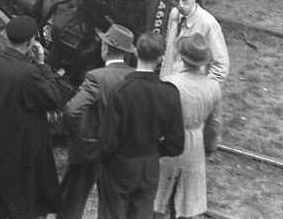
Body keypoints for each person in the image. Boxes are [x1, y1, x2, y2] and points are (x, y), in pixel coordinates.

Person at [0, 15, 63, 219]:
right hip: (24, 147)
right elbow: (54, 98)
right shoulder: (29, 73)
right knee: (23, 200)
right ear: (31, 43)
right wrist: (42, 64)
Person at [98, 32, 184, 219]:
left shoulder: (121, 91)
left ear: (135, 52)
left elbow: (107, 141)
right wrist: (154, 151)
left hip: (120, 164)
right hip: (150, 165)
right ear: (161, 58)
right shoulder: (169, 93)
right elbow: (176, 143)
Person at [57, 24, 136, 219]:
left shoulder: (96, 77)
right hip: (121, 151)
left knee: (72, 201)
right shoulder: (135, 77)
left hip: (90, 149)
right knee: (111, 207)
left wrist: (78, 134)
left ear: (105, 48)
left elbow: (72, 110)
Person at [153, 34, 223, 219]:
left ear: (182, 57)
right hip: (195, 147)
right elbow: (214, 125)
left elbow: (157, 120)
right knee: (187, 206)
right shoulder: (213, 87)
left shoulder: (169, 83)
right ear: (203, 62)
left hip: (168, 146)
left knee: (158, 201)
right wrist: (209, 148)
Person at [161, 0, 229, 85]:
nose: (181, 5)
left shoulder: (208, 23)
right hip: (168, 85)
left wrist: (202, 90)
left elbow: (221, 67)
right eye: (176, 1)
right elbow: (169, 50)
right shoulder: (174, 14)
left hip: (190, 89)